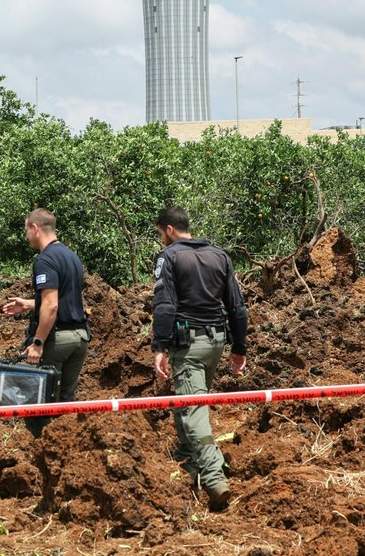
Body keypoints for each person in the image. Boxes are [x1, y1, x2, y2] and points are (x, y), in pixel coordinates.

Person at [150, 205, 249, 512]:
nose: (160, 239)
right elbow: (237, 306)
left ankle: (213, 476)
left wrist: (159, 347)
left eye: (159, 233)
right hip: (216, 342)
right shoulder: (219, 255)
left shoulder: (169, 257)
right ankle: (188, 461)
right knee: (188, 401)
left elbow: (165, 305)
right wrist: (239, 348)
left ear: (168, 229)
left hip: (188, 344)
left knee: (194, 411)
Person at [2, 208, 90, 437]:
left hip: (56, 340)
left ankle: (39, 456)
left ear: (35, 228)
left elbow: (52, 306)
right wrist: (30, 305)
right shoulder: (71, 256)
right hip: (79, 338)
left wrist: (38, 343)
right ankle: (68, 454)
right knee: (66, 403)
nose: (26, 237)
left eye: (26, 231)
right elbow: (64, 299)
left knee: (40, 404)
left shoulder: (45, 260)